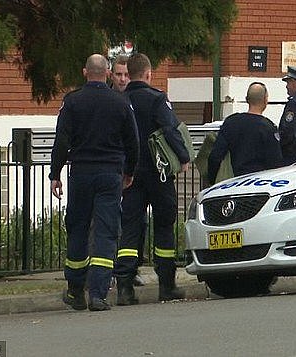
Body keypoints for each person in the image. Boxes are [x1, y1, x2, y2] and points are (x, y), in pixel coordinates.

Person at [49, 54, 139, 311]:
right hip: (110, 174)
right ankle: (98, 295)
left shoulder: (72, 102)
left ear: (84, 72)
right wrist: (129, 171)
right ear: (109, 73)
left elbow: (62, 140)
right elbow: (133, 142)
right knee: (106, 232)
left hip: (81, 173)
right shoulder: (120, 103)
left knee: (77, 227)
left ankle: (76, 290)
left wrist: (55, 174)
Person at [114, 53, 190, 305]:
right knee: (164, 226)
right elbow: (170, 129)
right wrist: (184, 157)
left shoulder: (120, 100)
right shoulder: (157, 99)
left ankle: (125, 286)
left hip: (130, 175)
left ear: (129, 73)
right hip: (158, 174)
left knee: (130, 228)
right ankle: (166, 285)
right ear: (148, 74)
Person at [109, 53, 146, 287]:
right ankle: (112, 268)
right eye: (119, 74)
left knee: (136, 222)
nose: (123, 79)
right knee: (111, 221)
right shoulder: (109, 100)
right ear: (111, 75)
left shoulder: (136, 99)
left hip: (132, 173)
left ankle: (131, 270)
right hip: (113, 171)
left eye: (126, 75)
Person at [208, 82, 283, 183]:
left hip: (234, 182)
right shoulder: (268, 128)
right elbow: (275, 162)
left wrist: (211, 180)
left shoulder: (231, 122)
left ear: (247, 99)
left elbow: (215, 156)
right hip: (260, 184)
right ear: (265, 100)